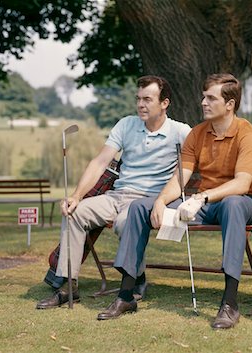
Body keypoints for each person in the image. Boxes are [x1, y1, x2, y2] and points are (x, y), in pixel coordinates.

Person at [99, 73, 252, 330]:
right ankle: (126, 295)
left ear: (229, 104)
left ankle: (230, 302)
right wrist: (161, 201)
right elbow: (180, 177)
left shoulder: (247, 133)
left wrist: (202, 197)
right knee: (140, 206)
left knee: (231, 203)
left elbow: (242, 184)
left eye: (211, 98)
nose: (203, 102)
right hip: (202, 204)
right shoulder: (197, 134)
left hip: (240, 203)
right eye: (203, 97)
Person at [36, 75, 191, 309]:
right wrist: (76, 196)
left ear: (164, 103)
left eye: (147, 99)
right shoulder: (126, 124)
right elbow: (100, 162)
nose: (140, 104)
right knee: (75, 213)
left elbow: (202, 154)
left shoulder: (180, 132)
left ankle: (136, 279)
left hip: (146, 202)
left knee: (124, 223)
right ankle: (68, 287)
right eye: (138, 99)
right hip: (116, 195)